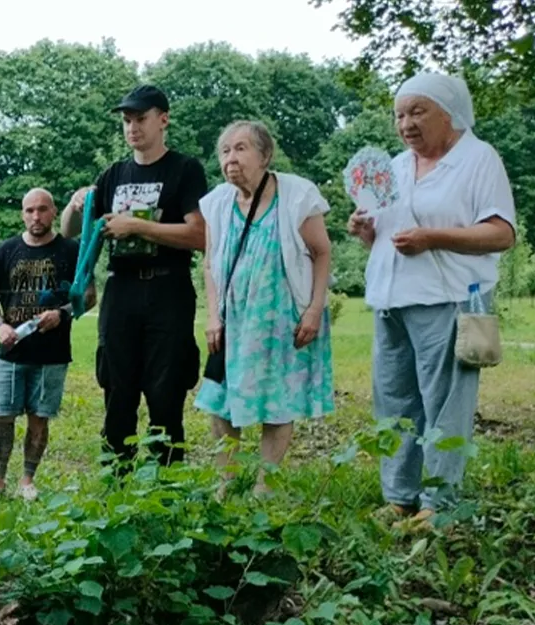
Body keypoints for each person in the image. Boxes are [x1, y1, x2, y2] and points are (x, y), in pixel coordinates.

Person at [348, 73, 516, 529]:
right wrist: (369, 233)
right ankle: (400, 497)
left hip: (449, 301)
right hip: (392, 300)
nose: (406, 124)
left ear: (450, 113)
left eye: (417, 112)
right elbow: (390, 235)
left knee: (444, 404)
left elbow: (502, 233)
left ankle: (438, 504)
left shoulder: (478, 160)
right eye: (400, 114)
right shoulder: (397, 167)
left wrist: (433, 238)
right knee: (395, 403)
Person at [61, 84, 209, 466]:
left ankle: (166, 480)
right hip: (121, 291)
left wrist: (137, 227)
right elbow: (69, 231)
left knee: (166, 391)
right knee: (117, 387)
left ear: (163, 119)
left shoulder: (185, 169)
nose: (132, 128)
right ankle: (117, 478)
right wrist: (78, 202)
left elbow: (199, 234)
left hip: (168, 290)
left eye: (140, 119)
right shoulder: (112, 174)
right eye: (127, 121)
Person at [196, 121, 334, 494]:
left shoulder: (298, 195)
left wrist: (314, 310)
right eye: (225, 151)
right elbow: (209, 263)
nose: (231, 158)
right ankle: (226, 481)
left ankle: (264, 485)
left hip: (282, 317)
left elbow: (322, 253)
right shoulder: (217, 203)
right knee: (220, 399)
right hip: (233, 319)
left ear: (265, 155)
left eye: (241, 149)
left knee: (278, 399)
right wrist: (212, 316)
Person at [0, 188, 84, 501]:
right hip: (11, 350)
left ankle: (27, 479)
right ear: (22, 214)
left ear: (54, 212)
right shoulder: (5, 250)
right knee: (2, 416)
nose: (35, 217)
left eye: (42, 210)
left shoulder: (71, 250)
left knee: (39, 417)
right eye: (29, 210)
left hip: (52, 354)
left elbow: (87, 296)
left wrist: (62, 314)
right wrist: (0, 326)